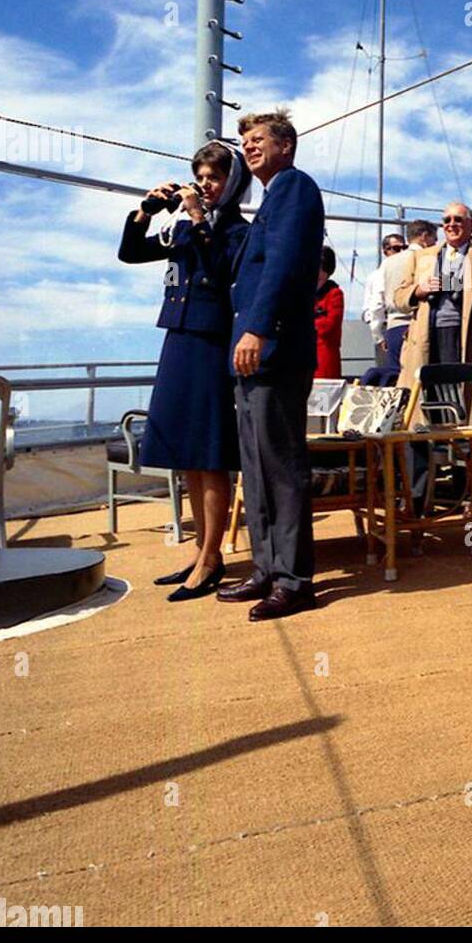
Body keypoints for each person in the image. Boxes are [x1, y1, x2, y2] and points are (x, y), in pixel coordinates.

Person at [118, 140, 250, 601]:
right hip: (178, 336)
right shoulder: (181, 229)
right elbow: (130, 253)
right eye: (201, 176)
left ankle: (214, 558)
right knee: (188, 455)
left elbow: (220, 270)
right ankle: (200, 549)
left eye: (214, 177)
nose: (206, 185)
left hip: (211, 341)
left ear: (231, 182)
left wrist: (197, 218)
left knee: (210, 454)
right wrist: (147, 211)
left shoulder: (235, 230)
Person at [217, 109, 326, 622]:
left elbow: (284, 263)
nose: (249, 147)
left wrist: (259, 328)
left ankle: (294, 579)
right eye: (245, 141)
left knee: (281, 465)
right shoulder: (266, 202)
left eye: (258, 139)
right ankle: (266, 568)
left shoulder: (294, 188)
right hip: (251, 353)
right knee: (256, 465)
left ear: (285, 145)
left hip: (275, 348)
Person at [394, 202, 472, 399]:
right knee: (427, 394)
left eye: (458, 219)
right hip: (426, 336)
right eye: (447, 220)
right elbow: (399, 297)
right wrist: (419, 290)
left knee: (459, 393)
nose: (451, 224)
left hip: (465, 336)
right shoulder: (421, 256)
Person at [361, 220, 437, 386]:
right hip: (419, 326)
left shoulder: (387, 263)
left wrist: (379, 336)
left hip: (393, 328)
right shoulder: (428, 258)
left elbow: (377, 303)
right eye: (434, 239)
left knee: (396, 382)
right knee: (422, 382)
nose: (435, 244)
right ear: (425, 237)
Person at [362, 233, 405, 355]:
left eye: (404, 248)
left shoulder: (409, 272)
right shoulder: (377, 276)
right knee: (388, 371)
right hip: (386, 329)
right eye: (396, 248)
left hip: (408, 328)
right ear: (386, 251)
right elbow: (372, 307)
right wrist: (379, 337)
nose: (401, 252)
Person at [314, 245, 345, 379]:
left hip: (324, 358)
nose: (318, 274)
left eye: (323, 270)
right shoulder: (301, 294)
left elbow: (330, 324)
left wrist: (303, 323)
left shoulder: (334, 294)